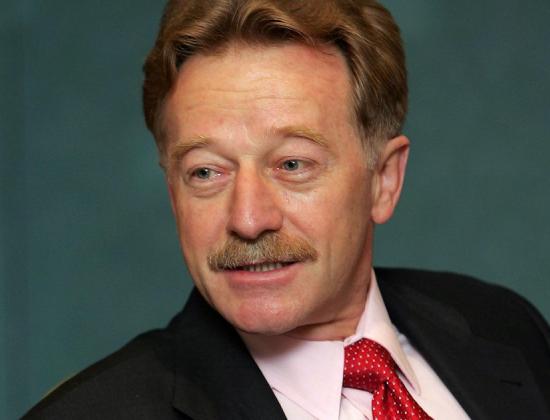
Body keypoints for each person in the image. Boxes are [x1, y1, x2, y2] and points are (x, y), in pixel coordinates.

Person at [24, 0, 550, 419]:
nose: (248, 219)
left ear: (383, 180)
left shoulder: (505, 326)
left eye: (293, 164)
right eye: (206, 172)